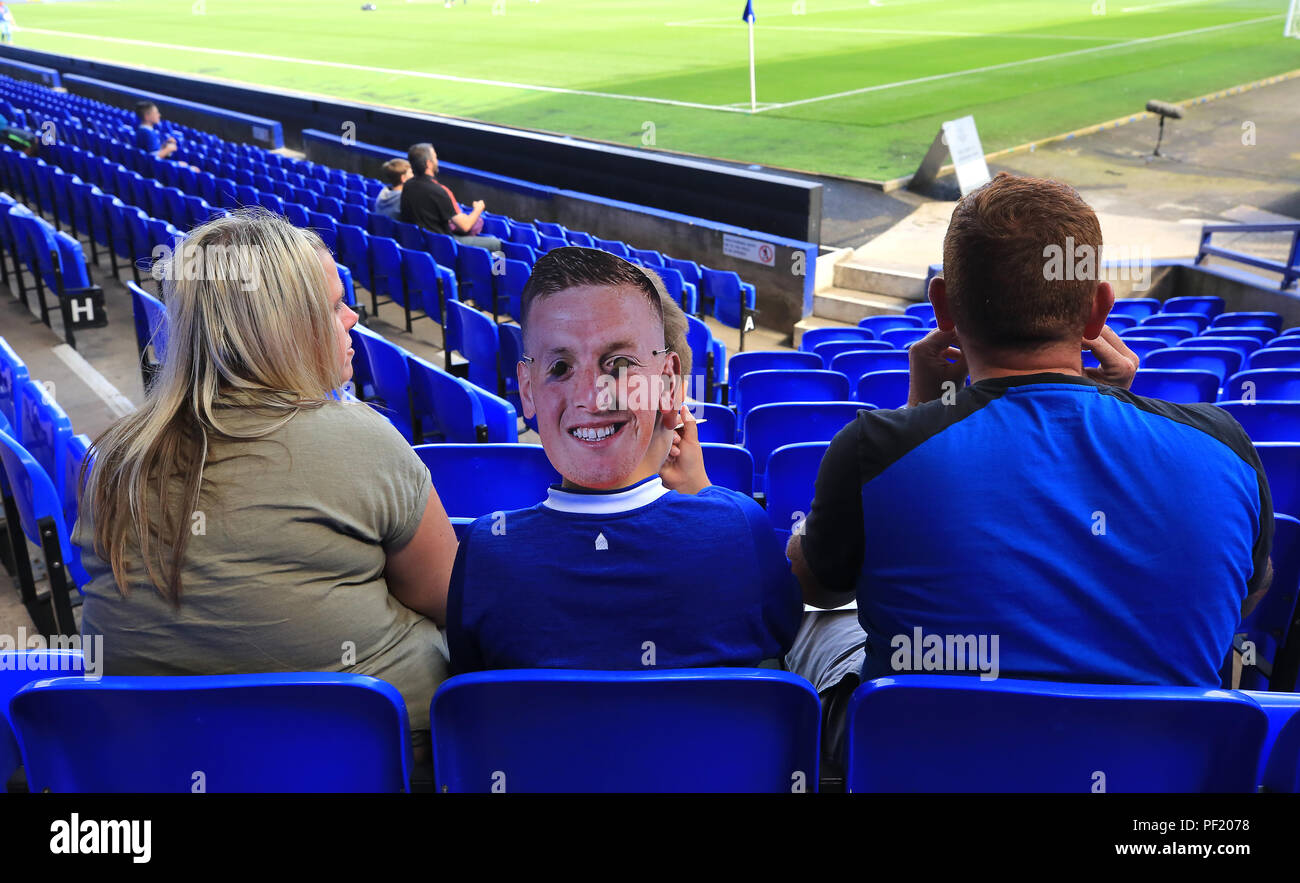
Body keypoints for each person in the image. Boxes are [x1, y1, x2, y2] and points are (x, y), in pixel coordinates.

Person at [786, 172, 1274, 770]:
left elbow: (814, 584)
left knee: (820, 629)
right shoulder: (1225, 445)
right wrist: (1116, 413)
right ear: (1097, 309)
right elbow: (1243, 594)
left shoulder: (874, 448)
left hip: (930, 773)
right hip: (1155, 792)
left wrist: (919, 417)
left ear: (941, 305)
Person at [76, 208, 459, 751]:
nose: (351, 318)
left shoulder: (113, 456)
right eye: (333, 306)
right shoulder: (362, 439)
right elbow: (449, 598)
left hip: (153, 763)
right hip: (359, 764)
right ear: (286, 326)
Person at [446, 246, 800, 673]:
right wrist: (705, 494)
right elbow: (781, 634)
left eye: (618, 364)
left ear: (667, 383)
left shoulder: (484, 549)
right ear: (526, 388)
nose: (591, 397)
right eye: (560, 368)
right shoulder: (740, 526)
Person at [399, 142, 502, 252]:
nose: (437, 161)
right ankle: (499, 270)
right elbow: (465, 225)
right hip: (443, 246)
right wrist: (478, 209)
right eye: (435, 157)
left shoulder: (407, 186)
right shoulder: (440, 191)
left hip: (419, 243)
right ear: (428, 164)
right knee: (496, 243)